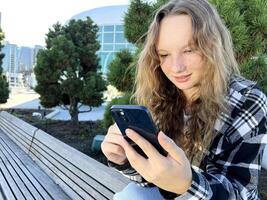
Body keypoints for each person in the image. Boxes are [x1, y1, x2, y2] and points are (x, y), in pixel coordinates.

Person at [101, 0, 267, 199]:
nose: (176, 68)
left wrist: (187, 183)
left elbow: (242, 193)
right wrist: (126, 160)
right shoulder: (161, 94)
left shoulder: (246, 99)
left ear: (213, 46)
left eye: (189, 50)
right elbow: (152, 180)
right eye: (164, 54)